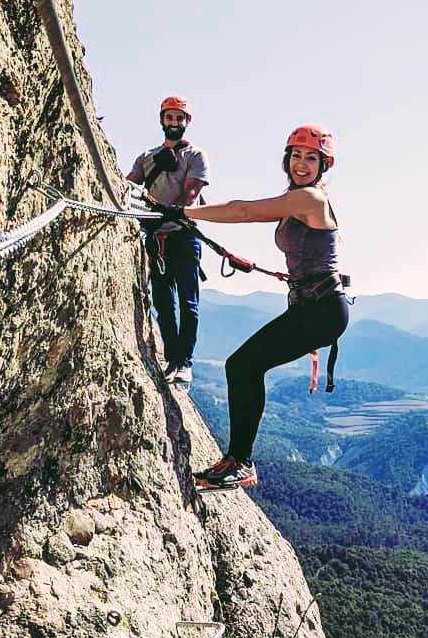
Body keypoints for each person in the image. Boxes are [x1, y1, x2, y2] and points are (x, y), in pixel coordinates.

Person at [145, 124, 349, 490]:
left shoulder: (311, 200)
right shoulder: (296, 198)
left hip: (321, 308)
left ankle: (240, 462)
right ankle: (237, 459)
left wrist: (182, 213)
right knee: (245, 365)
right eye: (297, 156)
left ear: (324, 164)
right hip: (312, 304)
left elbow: (243, 211)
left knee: (243, 365)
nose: (302, 163)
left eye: (311, 158)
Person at [127, 95, 210, 385]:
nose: (174, 123)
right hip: (155, 237)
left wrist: (163, 215)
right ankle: (173, 358)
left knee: (189, 303)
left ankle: (184, 361)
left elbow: (191, 194)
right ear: (162, 120)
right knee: (163, 304)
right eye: (170, 117)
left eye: (179, 118)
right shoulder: (146, 157)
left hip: (183, 236)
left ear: (187, 122)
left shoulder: (195, 156)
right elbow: (129, 185)